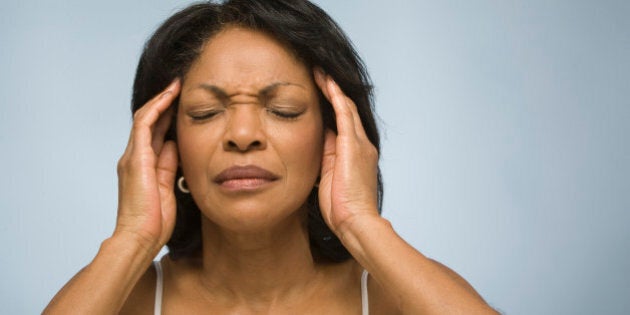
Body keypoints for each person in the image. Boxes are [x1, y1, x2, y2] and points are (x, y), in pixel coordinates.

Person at [45, 0, 498, 314]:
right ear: (167, 144)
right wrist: (131, 239)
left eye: (283, 110)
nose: (243, 135)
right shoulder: (126, 303)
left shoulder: (391, 299)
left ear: (334, 136)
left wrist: (362, 222)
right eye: (206, 113)